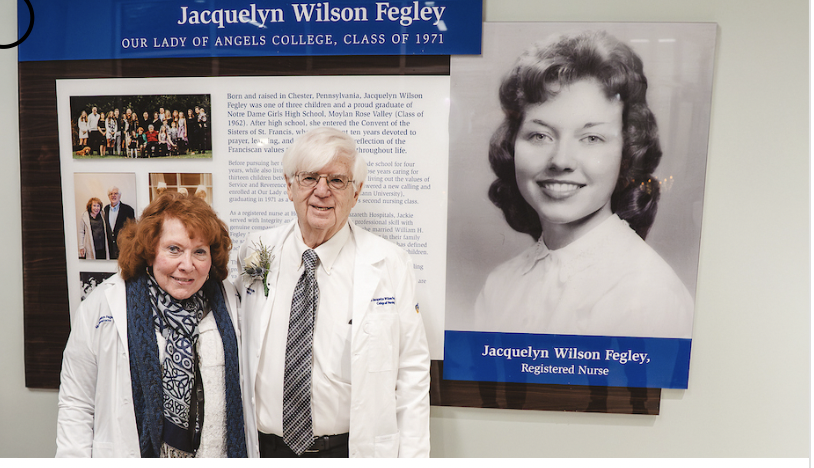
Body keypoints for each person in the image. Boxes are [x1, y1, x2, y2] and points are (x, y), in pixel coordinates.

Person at [474, 30, 694, 339]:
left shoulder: (647, 296)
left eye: (591, 138)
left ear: (627, 154)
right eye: (540, 135)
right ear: (512, 145)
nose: (561, 160)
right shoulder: (501, 285)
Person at [237, 127, 430, 458]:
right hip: (265, 449)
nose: (322, 191)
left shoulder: (390, 263)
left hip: (347, 450)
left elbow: (411, 372)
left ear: (356, 191)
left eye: (337, 180)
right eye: (310, 177)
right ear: (289, 186)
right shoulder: (256, 250)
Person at [56, 192, 248, 457]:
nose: (187, 265)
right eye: (174, 249)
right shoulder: (104, 304)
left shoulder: (229, 302)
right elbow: (76, 403)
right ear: (149, 251)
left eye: (199, 252)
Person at [104, 186, 136, 259]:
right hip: (110, 250)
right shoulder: (105, 209)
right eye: (111, 194)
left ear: (120, 196)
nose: (113, 195)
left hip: (123, 248)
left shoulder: (128, 210)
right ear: (108, 196)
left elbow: (132, 229)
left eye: (116, 193)